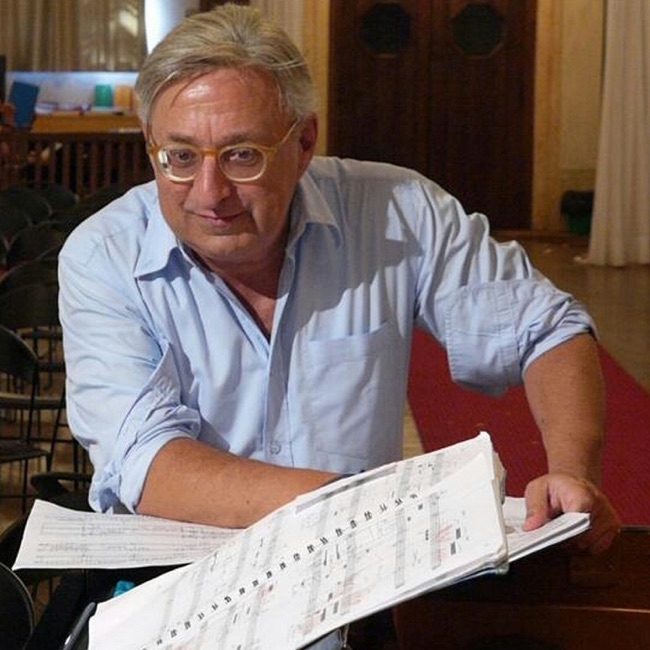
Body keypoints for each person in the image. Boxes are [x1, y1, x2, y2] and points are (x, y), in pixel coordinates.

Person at [59, 2, 620, 565]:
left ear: (304, 143)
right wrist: (375, 505)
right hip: (177, 577)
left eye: (242, 156)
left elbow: (547, 330)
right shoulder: (104, 256)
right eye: (180, 156)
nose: (210, 192)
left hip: (356, 571)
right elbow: (148, 464)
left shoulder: (397, 214)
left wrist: (572, 474)